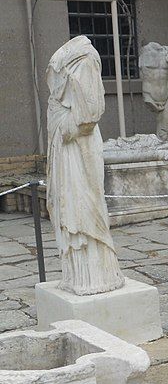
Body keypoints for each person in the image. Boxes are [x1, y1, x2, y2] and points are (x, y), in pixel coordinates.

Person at [46, 36, 125, 295]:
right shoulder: (74, 60)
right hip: (65, 146)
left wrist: (67, 123)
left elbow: (88, 116)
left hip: (80, 146)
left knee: (86, 203)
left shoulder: (83, 59)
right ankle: (79, 275)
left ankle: (96, 275)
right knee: (68, 202)